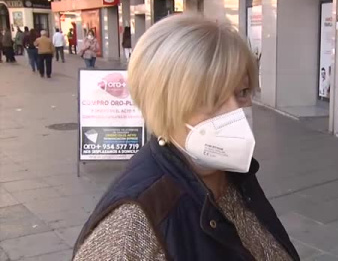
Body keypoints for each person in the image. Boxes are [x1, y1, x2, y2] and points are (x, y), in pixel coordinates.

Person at [72, 15, 300, 261]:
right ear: (164, 105)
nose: (236, 112)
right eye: (211, 98)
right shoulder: (130, 229)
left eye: (242, 92)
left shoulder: (231, 176)